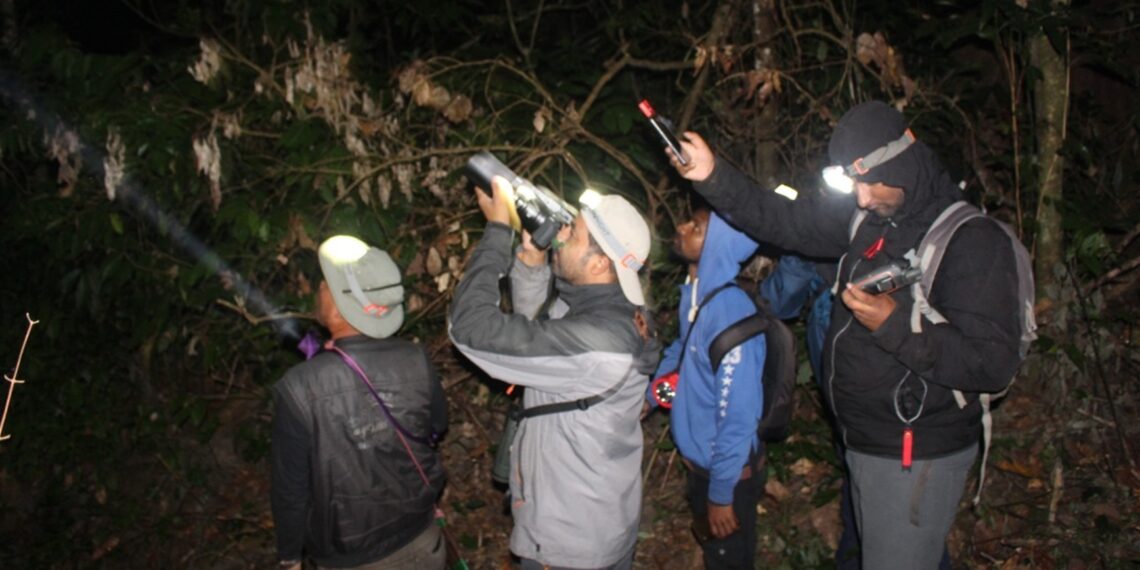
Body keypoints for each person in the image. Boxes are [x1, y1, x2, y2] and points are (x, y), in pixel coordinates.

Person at [670, 101, 1022, 569]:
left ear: (899, 165)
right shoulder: (868, 219)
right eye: (852, 183)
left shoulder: (972, 242)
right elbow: (783, 219)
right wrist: (713, 176)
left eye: (867, 182)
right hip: (863, 441)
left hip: (915, 453)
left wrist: (894, 324)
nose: (859, 197)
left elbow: (993, 363)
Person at [449, 177, 660, 570]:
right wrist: (532, 264)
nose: (561, 234)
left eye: (574, 232)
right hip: (603, 519)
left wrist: (498, 233)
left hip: (568, 544)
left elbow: (470, 330)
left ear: (600, 262)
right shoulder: (616, 309)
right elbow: (541, 338)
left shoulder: (597, 342)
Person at [271, 235, 448, 570]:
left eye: (326, 284)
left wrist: (290, 557)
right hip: (422, 539)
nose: (319, 287)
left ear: (339, 306)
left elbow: (291, 491)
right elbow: (436, 428)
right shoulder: (417, 360)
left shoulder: (297, 389)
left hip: (351, 558)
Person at [645, 208, 767, 569]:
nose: (681, 227)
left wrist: (720, 495)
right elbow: (683, 356)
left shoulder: (729, 314)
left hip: (726, 475)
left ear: (718, 245)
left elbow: (740, 416)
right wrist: (652, 397)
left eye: (696, 228)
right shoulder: (699, 296)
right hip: (703, 465)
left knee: (729, 561)